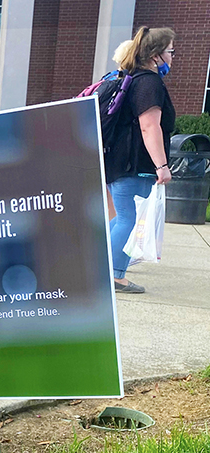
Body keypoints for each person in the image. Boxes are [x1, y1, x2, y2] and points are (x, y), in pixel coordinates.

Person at [107, 27, 174, 294]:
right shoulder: (149, 82)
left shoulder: (131, 78)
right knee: (128, 220)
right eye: (170, 51)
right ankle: (113, 276)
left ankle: (104, 268)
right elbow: (149, 127)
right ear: (156, 55)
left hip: (118, 163)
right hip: (133, 164)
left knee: (122, 218)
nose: (173, 56)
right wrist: (162, 166)